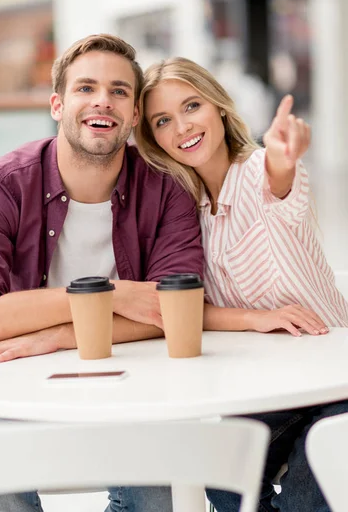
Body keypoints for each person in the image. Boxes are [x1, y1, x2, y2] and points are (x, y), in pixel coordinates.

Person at [0, 36, 203, 512]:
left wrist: (56, 336)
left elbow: (176, 311)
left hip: (138, 386)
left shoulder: (168, 192)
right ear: (57, 104)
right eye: (86, 87)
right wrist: (115, 294)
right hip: (15, 388)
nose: (102, 99)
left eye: (119, 91)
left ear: (132, 117)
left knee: (159, 480)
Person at [136, 56, 348, 512]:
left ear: (217, 105)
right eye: (163, 120)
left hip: (335, 383)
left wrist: (280, 154)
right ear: (153, 138)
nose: (182, 127)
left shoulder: (256, 171)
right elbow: (187, 309)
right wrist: (257, 318)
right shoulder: (182, 210)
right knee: (220, 477)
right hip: (265, 389)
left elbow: (278, 180)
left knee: (307, 494)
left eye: (192, 106)